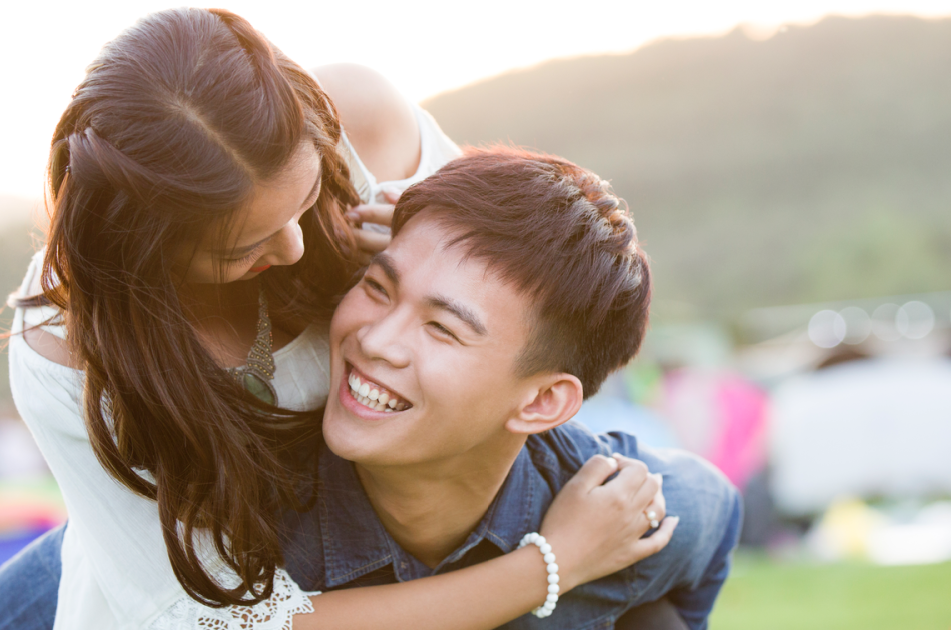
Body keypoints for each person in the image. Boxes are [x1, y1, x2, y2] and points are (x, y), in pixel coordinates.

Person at [0, 8, 675, 630]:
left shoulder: (364, 124)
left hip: (365, 524)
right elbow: (222, 619)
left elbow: (527, 315)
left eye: (303, 203)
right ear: (146, 253)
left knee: (690, 519)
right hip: (180, 562)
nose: (296, 246)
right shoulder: (68, 350)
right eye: (242, 248)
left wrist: (425, 240)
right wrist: (552, 566)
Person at [284, 147, 742, 630]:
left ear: (542, 402)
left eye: (441, 327)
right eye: (379, 287)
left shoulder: (623, 509)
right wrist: (547, 568)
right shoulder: (248, 503)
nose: (376, 341)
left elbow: (715, 510)